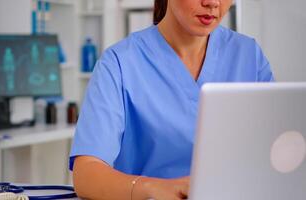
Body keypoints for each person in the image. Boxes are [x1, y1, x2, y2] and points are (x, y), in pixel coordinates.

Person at [69, 0, 274, 199]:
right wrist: (154, 188)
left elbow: (277, 150)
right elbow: (86, 175)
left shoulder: (248, 55)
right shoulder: (119, 63)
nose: (212, 2)